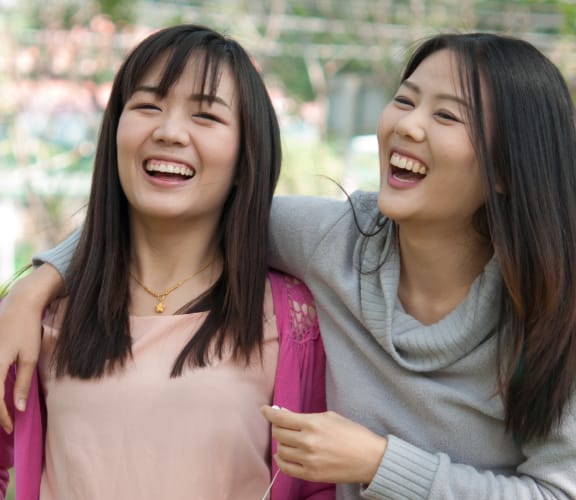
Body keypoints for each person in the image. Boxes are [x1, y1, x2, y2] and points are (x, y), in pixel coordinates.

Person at [2, 31, 576, 499]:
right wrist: (39, 282)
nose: (407, 125)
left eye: (448, 117)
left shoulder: (556, 314)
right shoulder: (338, 242)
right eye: (404, 99)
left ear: (507, 170)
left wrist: (380, 464)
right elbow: (185, 207)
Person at [0, 24, 334, 500]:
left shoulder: (294, 316)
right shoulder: (41, 311)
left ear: (246, 156)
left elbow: (316, 486)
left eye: (206, 116)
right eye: (148, 106)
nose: (169, 132)